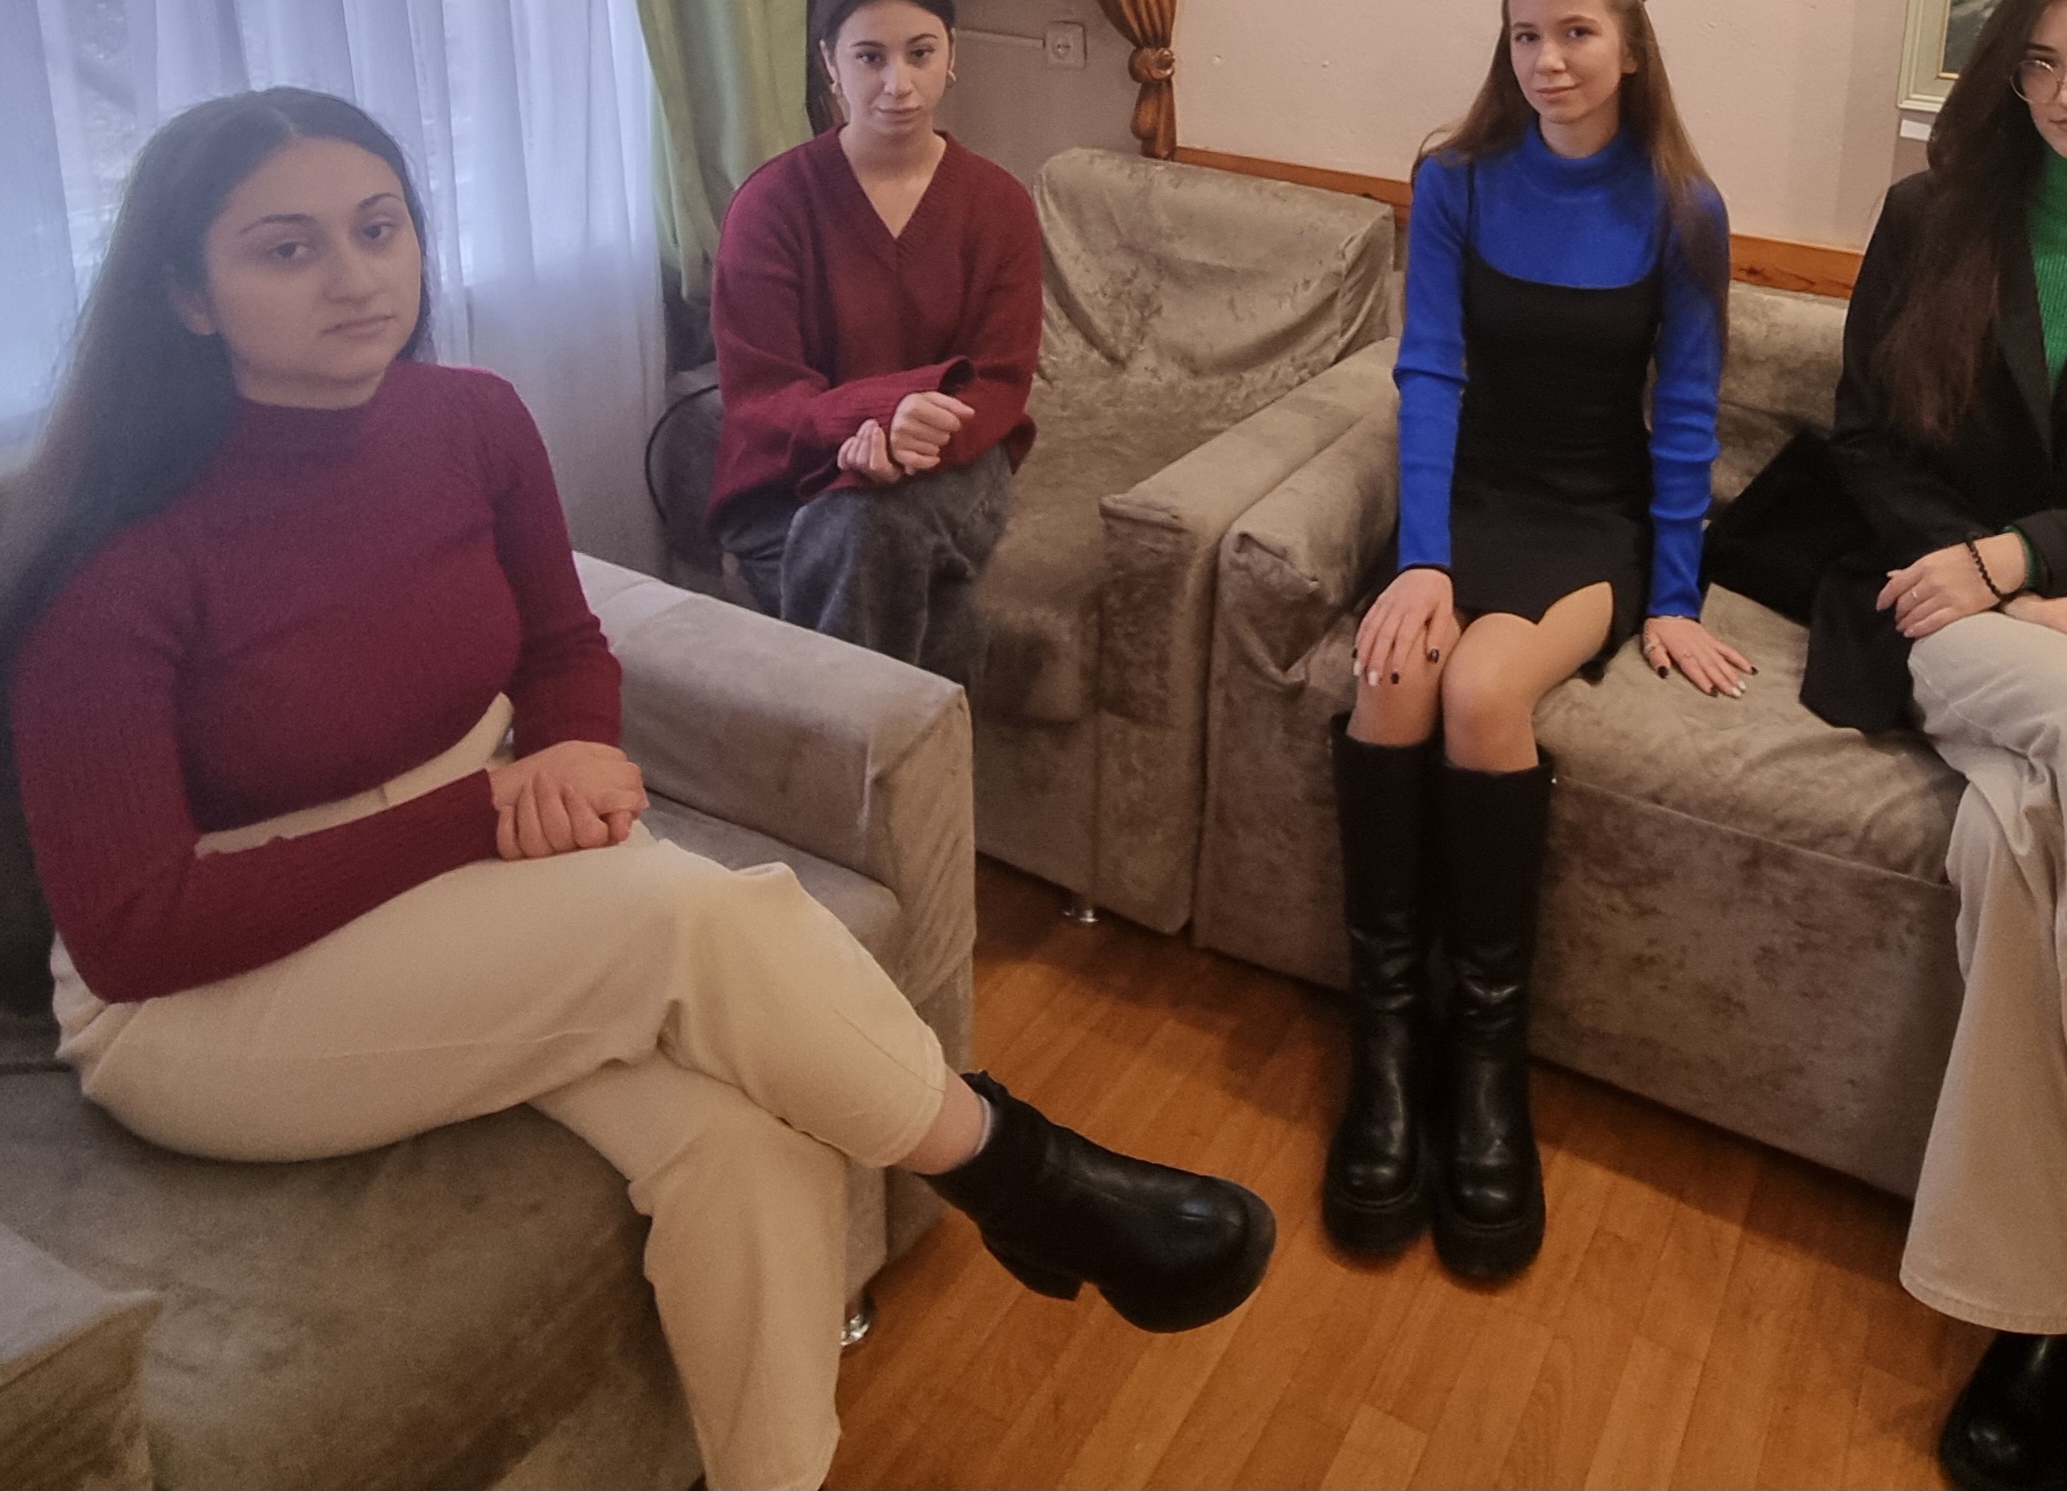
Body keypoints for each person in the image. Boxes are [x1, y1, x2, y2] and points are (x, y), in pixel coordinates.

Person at [2, 88, 1274, 1491]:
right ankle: (1014, 1171)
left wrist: (568, 751)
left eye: (378, 226)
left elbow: (561, 644)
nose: (355, 276)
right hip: (205, 994)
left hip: (451, 867)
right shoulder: (113, 553)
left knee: (751, 1139)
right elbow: (136, 927)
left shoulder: (472, 419)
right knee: (695, 919)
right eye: (285, 249)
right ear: (187, 294)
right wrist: (481, 813)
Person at [1330, 0, 1744, 1281]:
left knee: (1482, 688)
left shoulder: (1683, 207)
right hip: (1468, 505)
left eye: (1575, 31)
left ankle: (1487, 1063)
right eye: (1525, 33)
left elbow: (1686, 414)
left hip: (1586, 517)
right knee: (1391, 674)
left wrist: (1673, 592)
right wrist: (1422, 559)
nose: (1548, 59)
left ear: (1629, 41)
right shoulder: (1452, 178)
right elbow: (1430, 374)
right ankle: (1389, 1047)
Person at [1818, 0, 2067, 1491]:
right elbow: (1862, 440)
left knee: (2010, 857)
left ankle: (2027, 1312)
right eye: (2041, 63)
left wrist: (2032, 562)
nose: (2065, 95)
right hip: (1932, 614)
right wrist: (1985, 576)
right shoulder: (1929, 219)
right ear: (2005, 70)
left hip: (2041, 624)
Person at [709, 0, 1042, 691]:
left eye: (921, 53)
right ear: (829, 63)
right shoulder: (769, 207)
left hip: (955, 464)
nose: (899, 84)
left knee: (866, 523)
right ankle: (922, 761)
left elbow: (1000, 381)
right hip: (788, 477)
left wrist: (910, 440)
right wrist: (871, 423)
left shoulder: (1000, 205)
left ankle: (824, 754)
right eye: (869, 57)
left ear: (951, 55)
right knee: (884, 553)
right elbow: (761, 397)